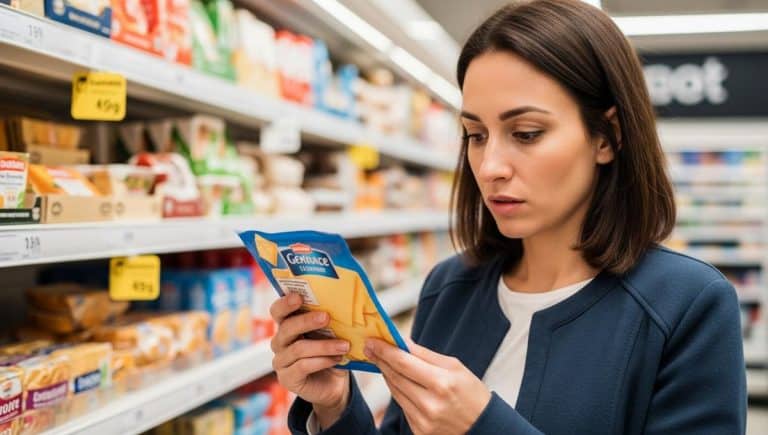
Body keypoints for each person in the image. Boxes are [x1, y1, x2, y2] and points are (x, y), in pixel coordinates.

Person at [269, 1, 747, 433]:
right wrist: (335, 407)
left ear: (607, 137)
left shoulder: (687, 304)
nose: (491, 167)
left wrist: (482, 427)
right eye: (476, 135)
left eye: (526, 133)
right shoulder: (450, 288)